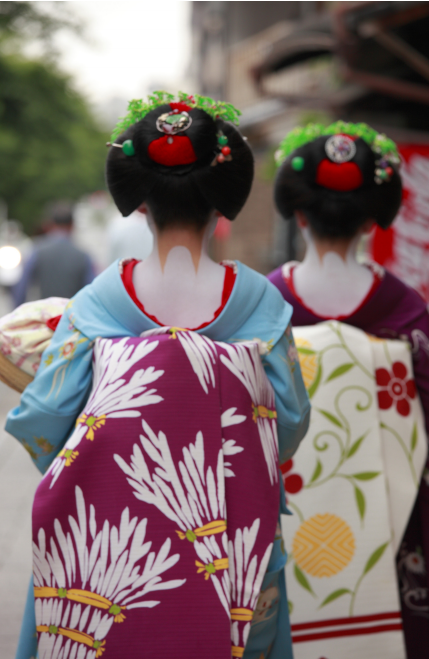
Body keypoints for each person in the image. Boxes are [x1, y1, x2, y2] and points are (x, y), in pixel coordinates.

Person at [6, 92, 310, 659]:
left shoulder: (95, 306)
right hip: (232, 545)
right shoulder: (260, 306)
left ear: (139, 202)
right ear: (221, 202)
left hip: (106, 558)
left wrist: (110, 454)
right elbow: (288, 423)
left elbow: (44, 419)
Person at [267, 121, 429, 658]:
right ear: (373, 218)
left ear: (298, 211)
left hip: (284, 522)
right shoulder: (409, 316)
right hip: (391, 528)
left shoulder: (261, 312)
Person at [12, 201, 95, 306]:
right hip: (71, 317)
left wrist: (17, 313)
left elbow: (22, 286)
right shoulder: (83, 256)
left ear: (49, 224)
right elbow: (91, 291)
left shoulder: (37, 250)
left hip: (45, 316)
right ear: (72, 225)